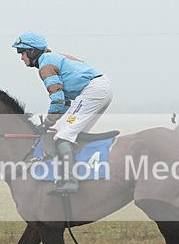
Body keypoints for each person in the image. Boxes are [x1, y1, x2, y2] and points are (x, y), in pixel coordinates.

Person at [12, 31, 113, 194]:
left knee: (63, 136)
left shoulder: (46, 66)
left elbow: (57, 100)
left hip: (93, 91)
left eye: (21, 52)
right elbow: (65, 102)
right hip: (100, 89)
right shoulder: (51, 59)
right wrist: (51, 122)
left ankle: (70, 181)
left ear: (32, 51)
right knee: (73, 134)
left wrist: (46, 124)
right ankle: (80, 173)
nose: (21, 58)